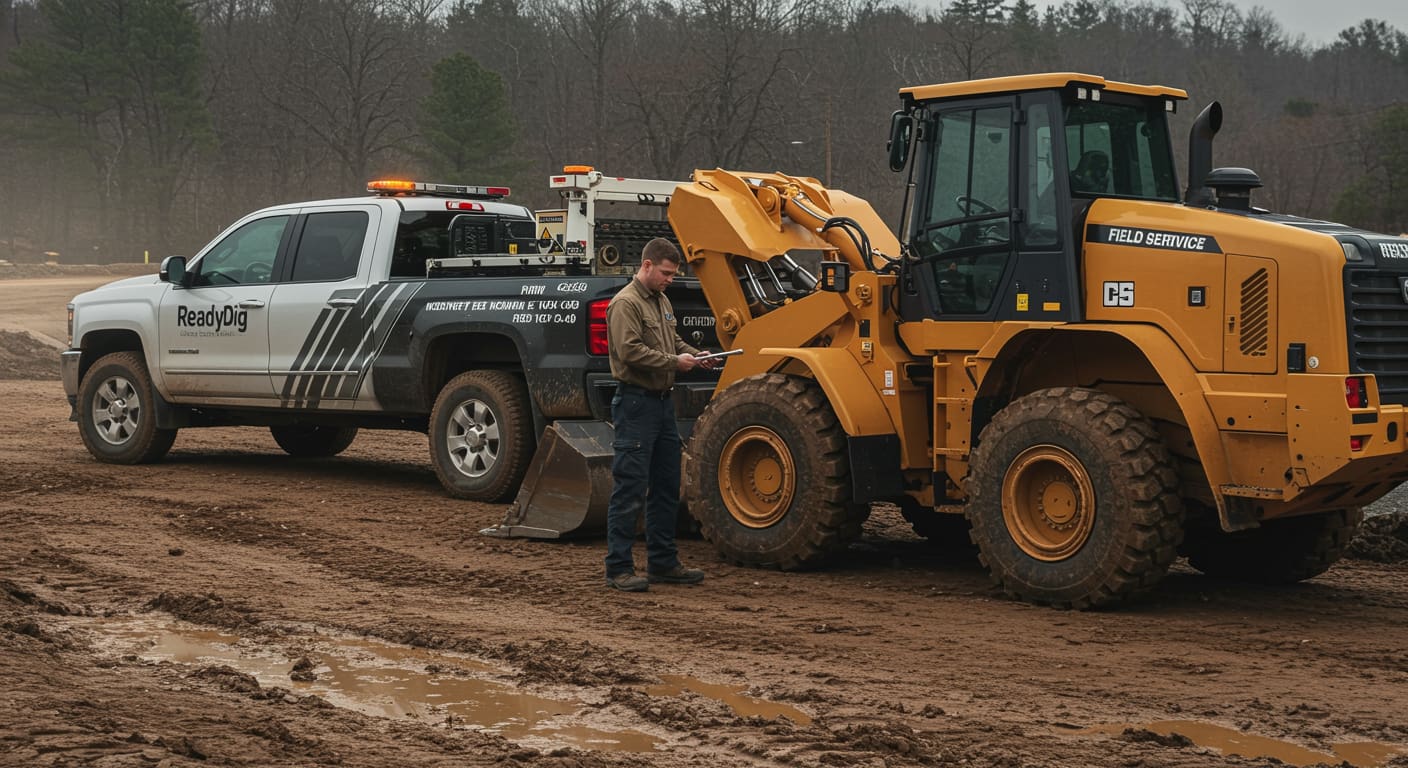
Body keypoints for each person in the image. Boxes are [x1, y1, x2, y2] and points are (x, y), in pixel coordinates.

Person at [603, 238, 715, 592]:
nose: (670, 279)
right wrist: (674, 363)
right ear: (647, 266)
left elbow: (673, 341)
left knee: (667, 486)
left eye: (673, 274)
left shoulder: (662, 301)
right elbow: (631, 351)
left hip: (663, 404)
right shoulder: (626, 304)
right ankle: (618, 568)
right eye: (666, 273)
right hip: (636, 403)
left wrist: (696, 356)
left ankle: (662, 563)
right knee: (630, 488)